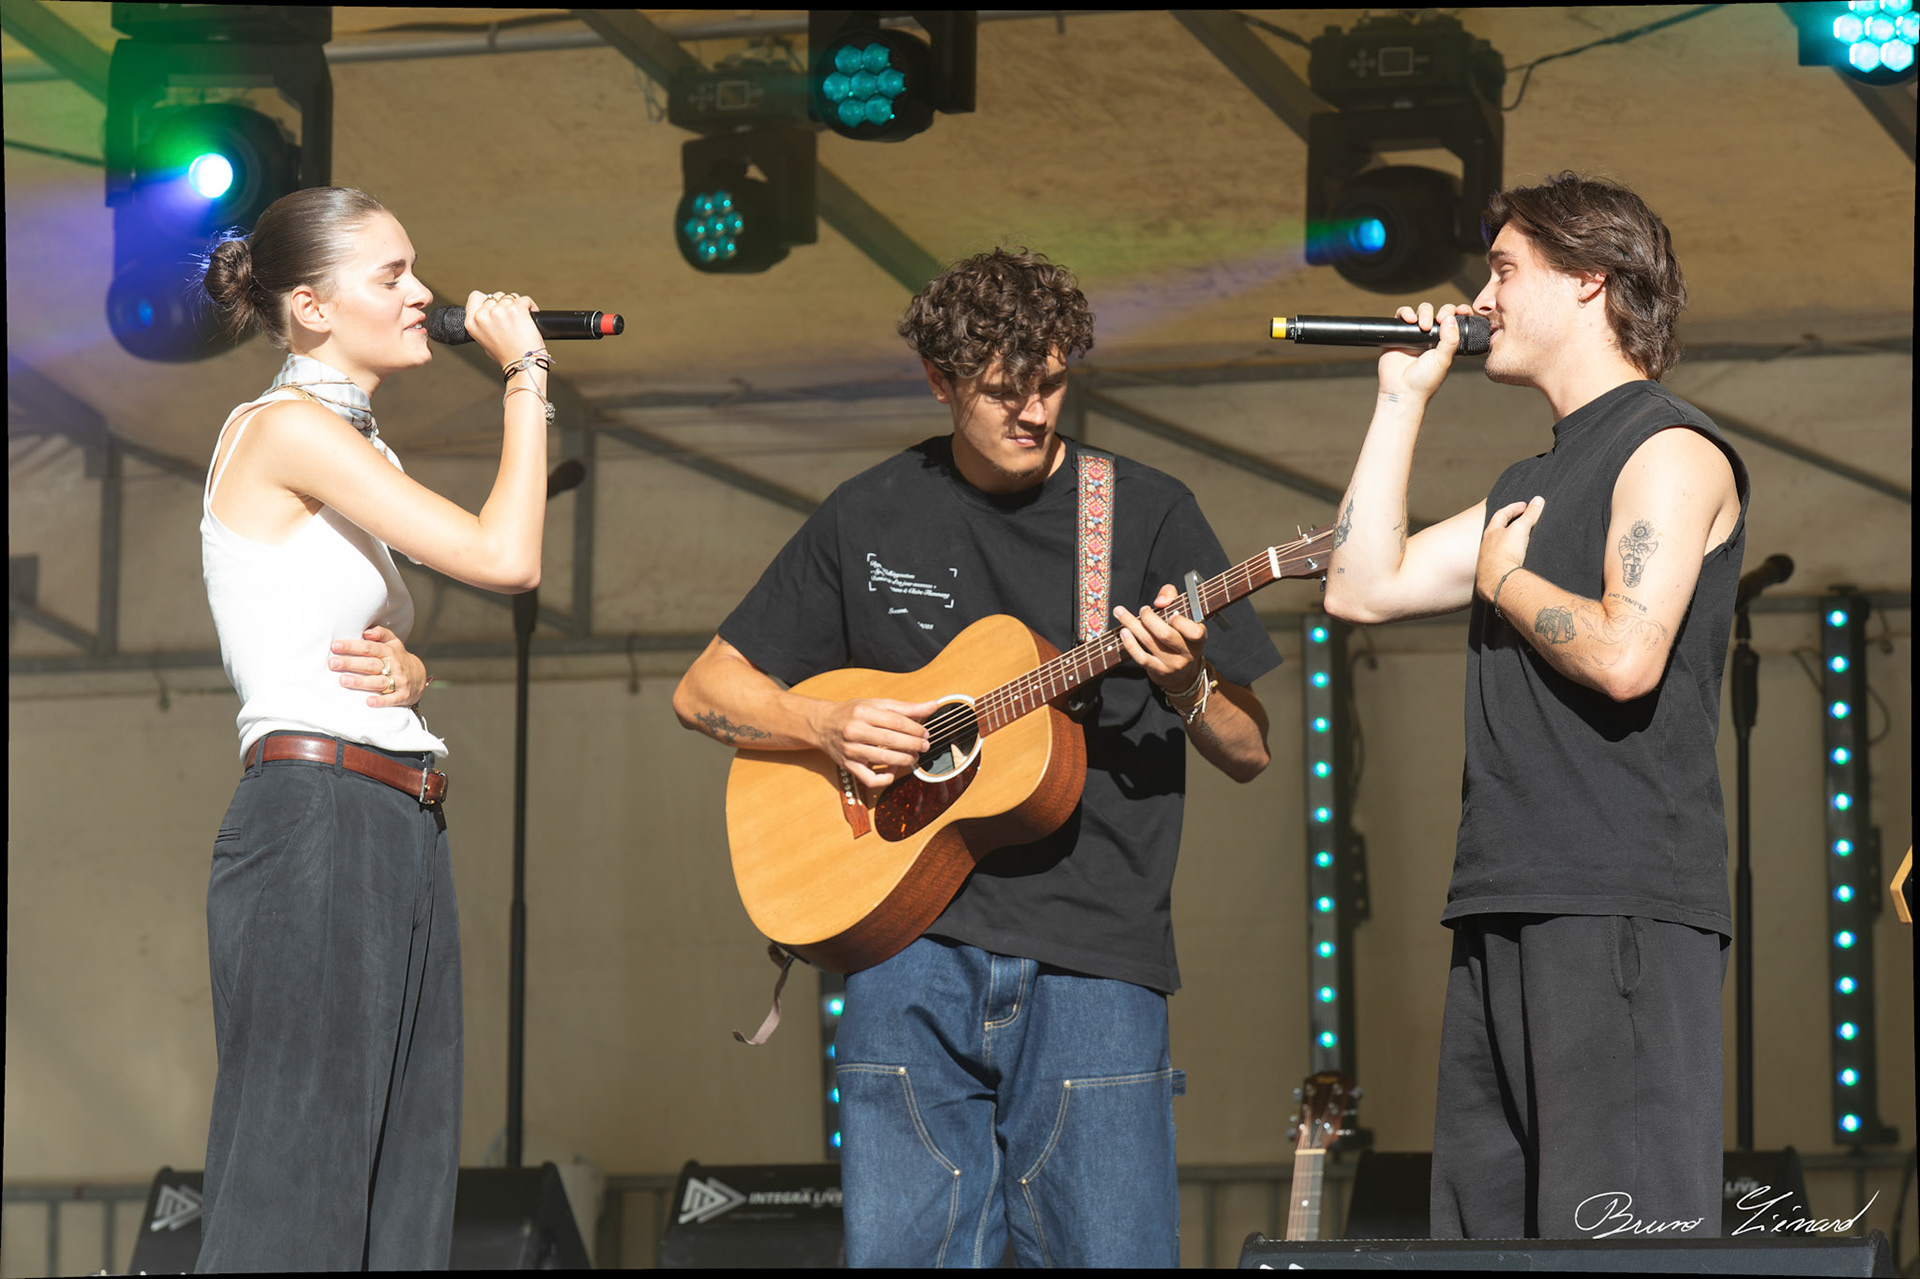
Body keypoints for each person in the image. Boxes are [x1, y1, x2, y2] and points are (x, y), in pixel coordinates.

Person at [672, 247, 1281, 1266]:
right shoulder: (870, 510)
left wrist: (1184, 683)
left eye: (1050, 382)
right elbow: (705, 689)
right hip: (901, 951)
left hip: (1096, 958)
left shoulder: (1143, 511)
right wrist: (826, 726)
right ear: (941, 383)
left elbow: (1251, 748)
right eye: (1003, 392)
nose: (1033, 412)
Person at [1322, 172, 1747, 1239]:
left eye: (1506, 270)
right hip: (1502, 896)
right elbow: (1358, 586)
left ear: (1591, 281)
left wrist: (1506, 581)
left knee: (1616, 1237)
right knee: (1486, 1237)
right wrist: (1400, 399)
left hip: (1618, 902)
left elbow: (1624, 655)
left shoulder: (1670, 449)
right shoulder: (1534, 476)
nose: (1483, 299)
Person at [196, 186, 554, 1270]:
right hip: (316, 819)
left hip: (396, 816)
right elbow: (507, 558)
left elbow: (336, 627)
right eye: (392, 276)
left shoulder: (364, 451)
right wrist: (528, 376)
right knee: (294, 1182)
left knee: (403, 1186)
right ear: (309, 306)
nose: (424, 295)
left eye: (416, 271)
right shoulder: (283, 427)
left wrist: (413, 663)